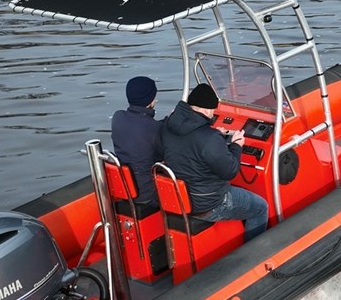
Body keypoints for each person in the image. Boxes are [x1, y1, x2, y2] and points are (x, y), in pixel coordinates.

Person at [160, 82, 269, 240]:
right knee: (260, 208)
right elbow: (230, 171)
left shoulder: (169, 125)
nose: (213, 114)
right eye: (213, 111)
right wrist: (237, 145)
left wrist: (214, 136)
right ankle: (255, 251)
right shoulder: (209, 138)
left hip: (180, 198)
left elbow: (190, 145)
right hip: (207, 203)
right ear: (206, 110)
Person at [111, 75, 162, 206]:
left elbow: (141, 128)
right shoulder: (155, 128)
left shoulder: (118, 118)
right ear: (151, 100)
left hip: (125, 189)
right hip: (147, 194)